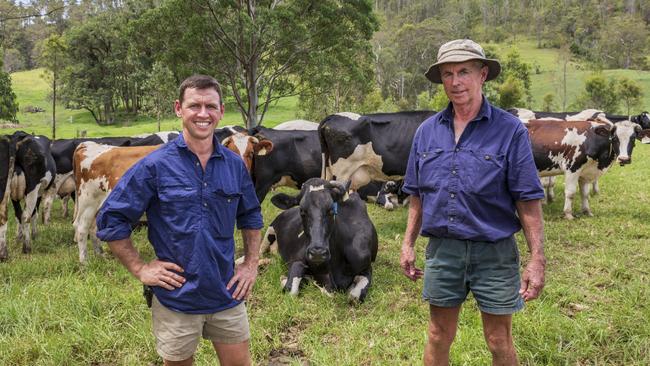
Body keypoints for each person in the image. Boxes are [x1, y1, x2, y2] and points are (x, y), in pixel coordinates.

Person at [96, 74, 263, 366]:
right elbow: (111, 219)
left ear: (221, 111)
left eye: (210, 106)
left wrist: (250, 264)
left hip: (227, 293)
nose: (203, 114)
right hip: (177, 298)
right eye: (194, 105)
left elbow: (250, 215)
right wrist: (140, 268)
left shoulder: (235, 165)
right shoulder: (155, 165)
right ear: (178, 109)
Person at [399, 39, 546, 365]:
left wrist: (537, 259)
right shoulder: (426, 132)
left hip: (493, 251)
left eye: (464, 71)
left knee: (498, 339)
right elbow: (417, 195)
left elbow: (528, 200)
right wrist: (408, 243)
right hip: (443, 250)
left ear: (482, 75)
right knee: (438, 334)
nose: (455, 82)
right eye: (448, 74)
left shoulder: (510, 131)